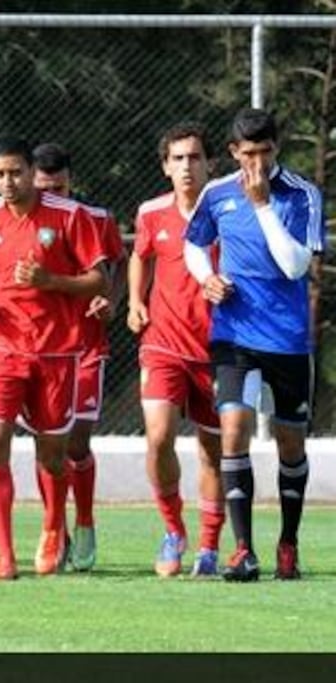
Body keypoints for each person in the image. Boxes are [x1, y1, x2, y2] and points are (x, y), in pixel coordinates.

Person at [183, 108, 323, 582]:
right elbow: (194, 244)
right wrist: (208, 278)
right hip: (235, 337)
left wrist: (262, 205)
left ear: (276, 148)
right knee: (234, 430)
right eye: (248, 154)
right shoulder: (216, 193)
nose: (257, 163)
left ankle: (288, 542)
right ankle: (242, 549)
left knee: (290, 443)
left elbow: (295, 266)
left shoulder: (302, 195)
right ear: (233, 153)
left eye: (265, 152)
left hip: (287, 339)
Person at [0, 136, 108, 580]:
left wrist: (50, 280)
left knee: (52, 454)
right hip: (0, 350)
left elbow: (98, 280)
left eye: (15, 173)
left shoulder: (70, 217)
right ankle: (4, 556)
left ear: (31, 172)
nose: (7, 182)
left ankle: (53, 526)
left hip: (55, 351)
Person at [128, 122, 225, 577]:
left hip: (216, 348)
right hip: (163, 344)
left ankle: (208, 546)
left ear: (210, 163)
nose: (187, 166)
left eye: (195, 157)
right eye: (178, 158)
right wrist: (134, 301)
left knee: (212, 449)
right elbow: (139, 256)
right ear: (166, 166)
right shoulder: (151, 213)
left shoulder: (229, 211)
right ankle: (173, 530)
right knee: (158, 436)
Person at [31, 143, 126, 571]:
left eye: (60, 187)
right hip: (41, 350)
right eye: (45, 187)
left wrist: (113, 302)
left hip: (86, 347)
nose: (53, 195)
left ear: (71, 182)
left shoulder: (97, 219)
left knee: (77, 440)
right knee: (45, 444)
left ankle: (84, 519)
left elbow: (119, 268)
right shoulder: (23, 219)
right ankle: (55, 529)